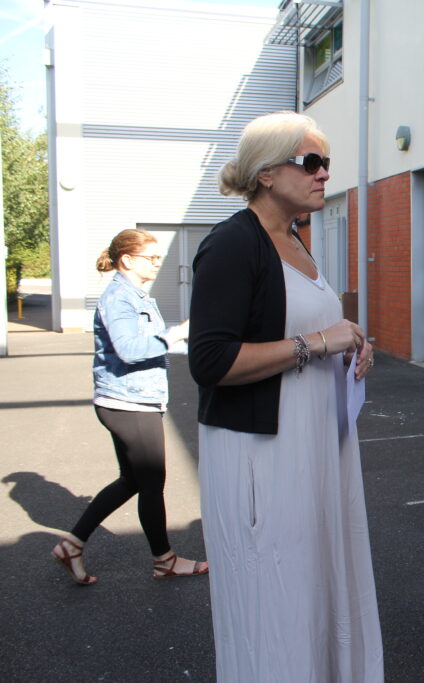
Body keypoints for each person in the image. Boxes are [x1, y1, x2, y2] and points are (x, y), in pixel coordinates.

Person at [189, 111, 383, 680]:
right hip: (264, 456)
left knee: (315, 586)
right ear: (267, 172)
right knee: (273, 596)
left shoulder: (296, 239)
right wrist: (320, 342)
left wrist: (350, 347)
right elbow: (211, 361)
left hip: (317, 445)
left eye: (326, 163)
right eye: (312, 162)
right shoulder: (231, 244)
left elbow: (310, 332)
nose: (324, 174)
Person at [50, 229, 204, 585]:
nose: (156, 262)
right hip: (128, 403)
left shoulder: (135, 295)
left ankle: (72, 545)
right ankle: (164, 560)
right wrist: (176, 334)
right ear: (128, 260)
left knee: (132, 480)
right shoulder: (120, 298)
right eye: (150, 257)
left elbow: (152, 344)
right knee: (151, 482)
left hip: (130, 401)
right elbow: (131, 350)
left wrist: (198, 344)